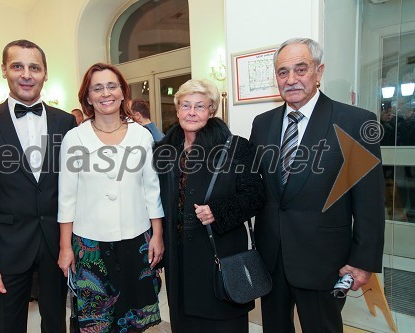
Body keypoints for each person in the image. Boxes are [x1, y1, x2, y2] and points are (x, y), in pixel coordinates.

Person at [249, 37, 385, 333]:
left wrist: (363, 261)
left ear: (319, 71)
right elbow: (255, 186)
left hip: (324, 260)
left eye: (301, 69)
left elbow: (370, 201)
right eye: (283, 72)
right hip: (271, 257)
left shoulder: (355, 122)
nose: (291, 79)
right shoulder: (262, 123)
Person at [0, 39, 76, 333]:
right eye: (18, 66)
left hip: (57, 246)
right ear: (4, 70)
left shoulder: (66, 123)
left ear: (45, 74)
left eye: (34, 67)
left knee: (56, 324)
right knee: (5, 326)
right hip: (5, 248)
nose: (26, 74)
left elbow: (73, 188)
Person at [57, 63, 164, 332]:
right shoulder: (74, 138)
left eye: (112, 86)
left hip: (137, 240)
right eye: (98, 88)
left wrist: (158, 235)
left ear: (122, 92)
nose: (106, 93)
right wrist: (65, 247)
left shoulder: (141, 135)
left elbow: (151, 189)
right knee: (97, 323)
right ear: (88, 97)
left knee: (134, 322)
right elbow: (66, 196)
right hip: (90, 244)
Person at [153, 79, 265, 333]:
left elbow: (255, 195)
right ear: (178, 109)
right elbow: (154, 199)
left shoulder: (235, 147)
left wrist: (219, 210)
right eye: (186, 105)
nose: (192, 112)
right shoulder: (164, 151)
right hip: (178, 258)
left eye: (200, 106)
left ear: (212, 110)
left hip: (219, 256)